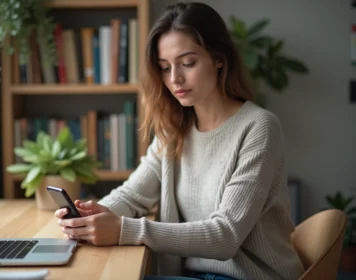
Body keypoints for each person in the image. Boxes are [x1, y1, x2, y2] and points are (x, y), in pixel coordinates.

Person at [55, 2, 304, 280]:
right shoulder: (173, 129)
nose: (175, 79)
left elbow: (225, 236)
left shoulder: (259, 127)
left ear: (219, 59)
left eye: (188, 63)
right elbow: (133, 195)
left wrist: (125, 229)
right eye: (164, 67)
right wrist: (93, 216)